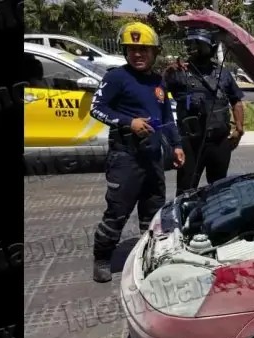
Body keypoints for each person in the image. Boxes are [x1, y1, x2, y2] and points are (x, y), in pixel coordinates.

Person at [89, 22, 185, 283]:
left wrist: (176, 146)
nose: (137, 54)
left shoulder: (157, 82)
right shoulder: (116, 77)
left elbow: (167, 118)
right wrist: (127, 122)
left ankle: (147, 257)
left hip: (153, 158)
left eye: (143, 49)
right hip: (125, 158)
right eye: (132, 49)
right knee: (117, 213)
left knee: (152, 213)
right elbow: (96, 109)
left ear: (154, 52)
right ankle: (102, 258)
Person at [164, 28, 245, 196]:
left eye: (200, 44)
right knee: (186, 190)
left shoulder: (223, 74)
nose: (194, 48)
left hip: (219, 142)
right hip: (191, 143)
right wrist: (167, 72)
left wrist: (239, 128)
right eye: (192, 44)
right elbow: (157, 95)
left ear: (211, 47)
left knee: (219, 189)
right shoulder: (179, 73)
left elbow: (236, 101)